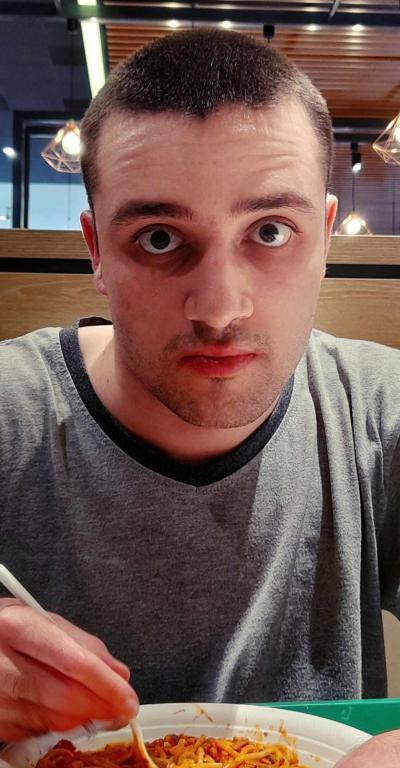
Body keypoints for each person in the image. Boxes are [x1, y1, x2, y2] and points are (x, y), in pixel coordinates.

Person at [0, 27, 399, 765]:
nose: (219, 308)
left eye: (270, 231)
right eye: (158, 238)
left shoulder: (379, 412)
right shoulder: (9, 415)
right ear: (96, 250)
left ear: (323, 239)